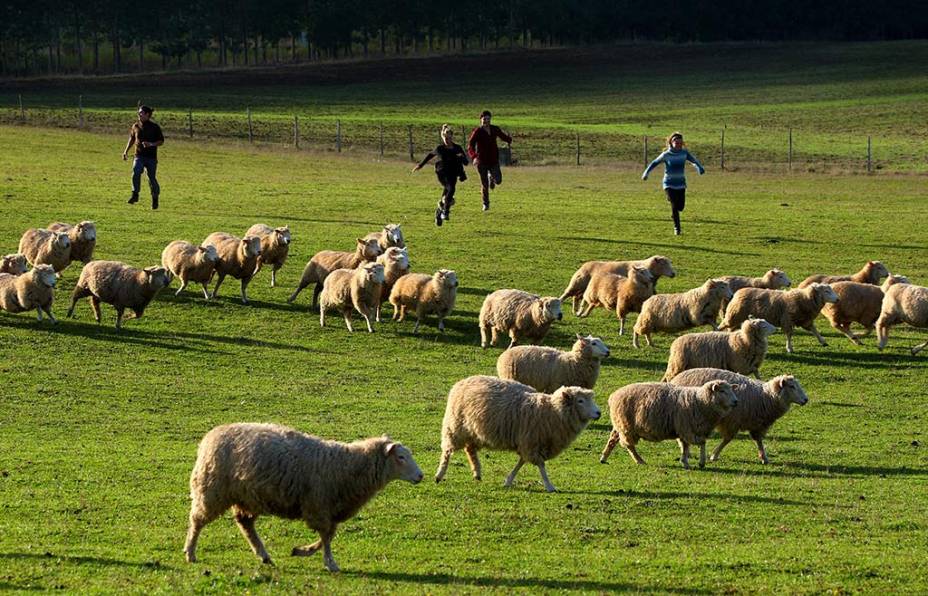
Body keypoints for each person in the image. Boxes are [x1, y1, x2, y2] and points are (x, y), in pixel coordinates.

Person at [641, 131, 705, 235]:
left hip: (681, 184)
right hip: (669, 184)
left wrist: (699, 168)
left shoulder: (684, 153)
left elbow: (694, 161)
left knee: (680, 207)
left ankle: (673, 212)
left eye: (680, 143)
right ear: (671, 142)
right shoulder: (666, 154)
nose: (678, 144)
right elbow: (654, 163)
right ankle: (677, 228)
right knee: (674, 206)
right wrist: (646, 173)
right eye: (676, 142)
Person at [413, 124, 469, 227]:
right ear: (443, 137)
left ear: (452, 136)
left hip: (453, 173)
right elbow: (430, 155)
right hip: (442, 173)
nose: (447, 140)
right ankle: (445, 212)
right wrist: (420, 165)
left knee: (447, 192)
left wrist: (461, 157)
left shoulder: (457, 148)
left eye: (449, 137)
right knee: (451, 189)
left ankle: (439, 211)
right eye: (445, 138)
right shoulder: (440, 148)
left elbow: (466, 162)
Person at [467, 110, 512, 211]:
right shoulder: (477, 132)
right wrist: (474, 156)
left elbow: (502, 136)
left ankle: (491, 177)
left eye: (488, 119)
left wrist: (509, 140)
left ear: (490, 119)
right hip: (481, 161)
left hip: (493, 160)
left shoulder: (494, 129)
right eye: (484, 119)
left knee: (499, 181)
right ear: (480, 120)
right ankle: (485, 203)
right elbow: (470, 145)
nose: (486, 121)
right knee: (484, 185)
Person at [122, 105, 165, 210]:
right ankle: (135, 194)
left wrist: (150, 144)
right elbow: (132, 139)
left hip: (151, 158)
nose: (139, 114)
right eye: (139, 112)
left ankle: (155, 198)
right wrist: (125, 151)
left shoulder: (155, 127)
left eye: (141, 112)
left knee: (151, 178)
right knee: (136, 171)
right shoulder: (135, 126)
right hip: (139, 156)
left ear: (147, 114)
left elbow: (161, 141)